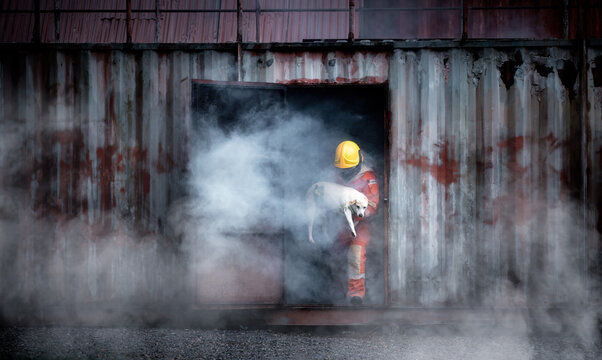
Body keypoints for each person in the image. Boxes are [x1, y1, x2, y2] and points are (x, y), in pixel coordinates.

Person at [333, 140, 379, 305]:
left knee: (355, 256)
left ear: (358, 162)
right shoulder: (336, 177)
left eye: (348, 169)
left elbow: (373, 205)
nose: (345, 172)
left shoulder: (368, 178)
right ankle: (337, 292)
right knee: (335, 255)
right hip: (340, 224)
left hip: (361, 226)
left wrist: (357, 212)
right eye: (342, 169)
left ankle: (356, 295)